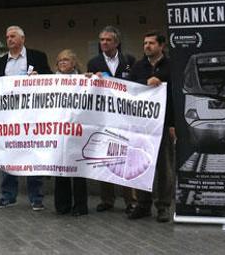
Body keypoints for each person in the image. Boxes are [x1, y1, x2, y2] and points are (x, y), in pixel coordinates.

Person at [0, 25, 52, 211]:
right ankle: (8, 195)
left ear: (22, 39)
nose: (9, 39)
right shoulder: (1, 62)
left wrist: (39, 77)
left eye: (13, 36)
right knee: (8, 153)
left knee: (33, 154)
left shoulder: (37, 56)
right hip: (8, 117)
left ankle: (36, 197)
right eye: (7, 36)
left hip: (32, 115)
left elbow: (51, 80)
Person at [86, 26, 137, 213]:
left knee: (126, 159)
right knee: (104, 159)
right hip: (104, 118)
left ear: (116, 42)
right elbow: (90, 89)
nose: (104, 43)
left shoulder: (129, 60)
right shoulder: (93, 63)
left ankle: (130, 200)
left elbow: (136, 85)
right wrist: (91, 79)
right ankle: (107, 199)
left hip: (125, 117)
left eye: (108, 40)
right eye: (101, 40)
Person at [126, 30, 175, 223]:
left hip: (163, 125)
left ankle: (163, 206)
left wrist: (173, 124)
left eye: (151, 43)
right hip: (141, 126)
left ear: (161, 46)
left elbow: (176, 96)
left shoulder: (171, 66)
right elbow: (128, 88)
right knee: (141, 165)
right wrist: (145, 83)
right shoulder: (139, 66)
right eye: (145, 43)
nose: (147, 46)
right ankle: (143, 204)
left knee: (164, 168)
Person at [53, 49, 89, 216]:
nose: (62, 63)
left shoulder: (83, 80)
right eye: (60, 60)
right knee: (60, 168)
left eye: (66, 60)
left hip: (77, 130)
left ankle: (80, 206)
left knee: (78, 169)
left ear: (74, 63)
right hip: (58, 131)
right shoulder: (50, 81)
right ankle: (62, 205)